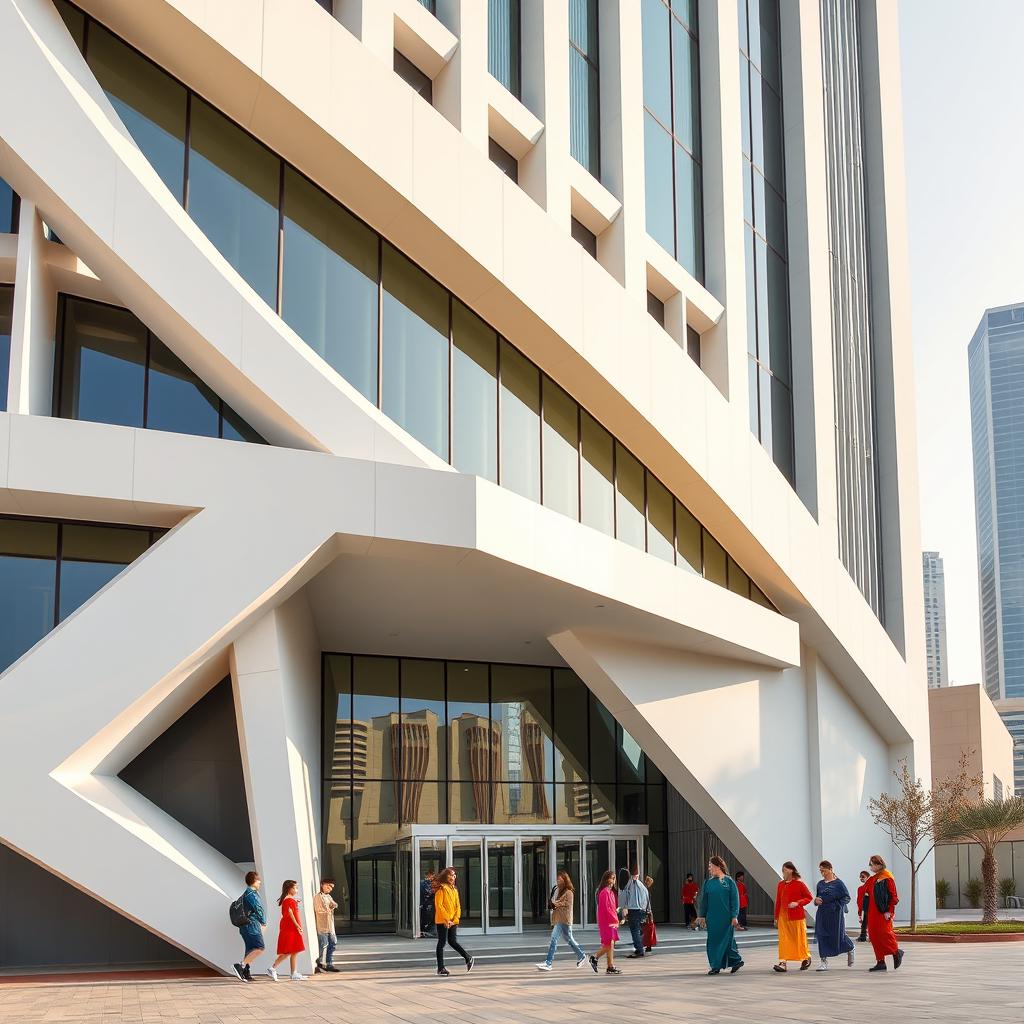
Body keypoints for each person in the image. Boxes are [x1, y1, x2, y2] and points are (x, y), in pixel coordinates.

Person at [696, 855, 744, 975]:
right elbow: (704, 901)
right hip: (712, 918)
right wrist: (701, 916)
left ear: (717, 866)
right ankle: (735, 961)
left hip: (726, 918)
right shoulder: (708, 883)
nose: (709, 868)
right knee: (713, 941)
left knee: (726, 941)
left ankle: (716, 966)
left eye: (710, 866)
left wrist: (734, 916)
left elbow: (735, 900)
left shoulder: (729, 882)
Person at [536, 870, 588, 971]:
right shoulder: (559, 890)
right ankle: (582, 956)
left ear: (565, 880)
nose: (558, 882)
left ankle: (548, 963)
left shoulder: (569, 892)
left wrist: (554, 904)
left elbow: (563, 903)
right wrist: (552, 903)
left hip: (564, 920)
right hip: (560, 919)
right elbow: (557, 903)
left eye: (560, 880)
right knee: (569, 940)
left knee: (554, 938)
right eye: (557, 880)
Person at [433, 867, 475, 977]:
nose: (453, 877)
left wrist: (455, 920)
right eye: (451, 875)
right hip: (443, 920)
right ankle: (441, 968)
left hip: (452, 921)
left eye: (454, 875)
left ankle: (468, 958)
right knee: (441, 943)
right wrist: (447, 919)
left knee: (452, 941)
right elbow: (439, 906)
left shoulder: (454, 889)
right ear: (446, 876)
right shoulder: (441, 889)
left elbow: (458, 906)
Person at [813, 861, 855, 971]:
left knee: (837, 936)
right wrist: (816, 901)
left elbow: (846, 897)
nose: (822, 872)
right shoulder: (820, 884)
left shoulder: (839, 884)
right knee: (821, 935)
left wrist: (837, 905)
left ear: (830, 869)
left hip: (835, 914)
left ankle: (850, 948)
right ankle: (823, 962)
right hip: (822, 913)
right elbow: (818, 897)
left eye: (824, 870)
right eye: (820, 870)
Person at [866, 854, 905, 972]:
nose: (870, 867)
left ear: (879, 864)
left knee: (885, 934)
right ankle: (880, 961)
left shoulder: (887, 878)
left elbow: (893, 897)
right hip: (872, 912)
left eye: (871, 864)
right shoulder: (873, 878)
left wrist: (889, 911)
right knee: (874, 936)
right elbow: (865, 892)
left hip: (882, 912)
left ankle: (896, 951)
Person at [772, 861, 813, 972]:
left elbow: (809, 897)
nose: (783, 873)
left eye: (784, 870)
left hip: (796, 917)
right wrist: (776, 917)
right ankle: (783, 963)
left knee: (799, 939)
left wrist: (798, 903)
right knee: (784, 940)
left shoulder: (799, 883)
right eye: (782, 870)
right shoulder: (780, 884)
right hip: (783, 917)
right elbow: (778, 901)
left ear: (791, 870)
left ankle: (806, 958)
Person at [232, 870, 266, 982]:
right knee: (259, 947)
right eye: (259, 880)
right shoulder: (251, 894)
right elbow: (259, 909)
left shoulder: (246, 893)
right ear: (254, 881)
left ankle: (246, 972)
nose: (260, 882)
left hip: (244, 926)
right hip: (251, 925)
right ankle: (240, 966)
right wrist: (263, 922)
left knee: (251, 949)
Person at [268, 880, 306, 981]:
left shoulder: (289, 899)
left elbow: (290, 911)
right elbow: (290, 914)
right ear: (289, 889)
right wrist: (297, 926)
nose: (297, 890)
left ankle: (293, 973)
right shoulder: (289, 900)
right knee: (289, 950)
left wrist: (295, 902)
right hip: (291, 928)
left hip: (290, 927)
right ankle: (273, 968)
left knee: (294, 950)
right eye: (295, 888)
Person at [589, 870, 622, 975]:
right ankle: (594, 958)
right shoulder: (605, 892)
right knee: (608, 945)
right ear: (607, 879)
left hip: (610, 920)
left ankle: (610, 966)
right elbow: (606, 909)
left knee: (610, 944)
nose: (613, 880)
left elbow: (611, 908)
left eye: (614, 878)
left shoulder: (610, 892)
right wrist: (615, 920)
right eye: (612, 878)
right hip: (608, 921)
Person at [618, 863, 652, 958]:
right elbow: (647, 898)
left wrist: (622, 907)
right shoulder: (642, 886)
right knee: (639, 929)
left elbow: (624, 894)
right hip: (642, 910)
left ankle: (639, 949)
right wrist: (648, 911)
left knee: (634, 930)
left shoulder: (630, 884)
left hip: (634, 910)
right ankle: (640, 947)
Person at [313, 878, 339, 974]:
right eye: (329, 886)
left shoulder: (328, 896)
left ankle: (329, 963)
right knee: (323, 945)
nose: (330, 888)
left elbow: (334, 904)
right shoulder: (318, 897)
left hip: (330, 926)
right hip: (323, 926)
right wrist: (329, 909)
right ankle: (320, 964)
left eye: (331, 887)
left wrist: (332, 906)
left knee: (333, 944)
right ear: (322, 884)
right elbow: (319, 910)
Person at [642, 875, 658, 953]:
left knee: (647, 929)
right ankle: (648, 945)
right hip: (647, 912)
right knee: (649, 929)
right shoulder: (646, 890)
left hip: (647, 911)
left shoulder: (644, 890)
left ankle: (647, 945)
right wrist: (649, 912)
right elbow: (647, 903)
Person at [420, 869, 437, 938]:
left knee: (429, 918)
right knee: (426, 918)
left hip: (429, 903)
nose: (431, 877)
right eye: (431, 875)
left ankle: (426, 931)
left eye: (433, 875)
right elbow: (427, 893)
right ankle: (424, 931)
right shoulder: (423, 883)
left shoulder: (432, 883)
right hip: (426, 903)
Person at [856, 870, 871, 942]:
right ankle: (863, 936)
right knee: (863, 922)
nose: (861, 878)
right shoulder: (860, 888)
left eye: (863, 877)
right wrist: (859, 910)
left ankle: (865, 936)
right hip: (863, 907)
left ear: (868, 877)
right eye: (860, 877)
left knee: (867, 922)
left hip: (869, 907)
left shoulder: (871, 887)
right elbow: (859, 899)